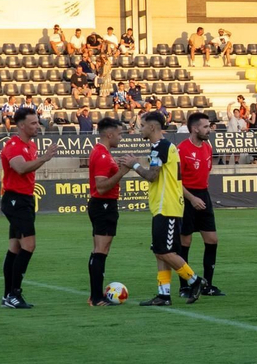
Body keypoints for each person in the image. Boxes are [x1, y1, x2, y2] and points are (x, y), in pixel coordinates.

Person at [129, 111, 206, 305]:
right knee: (159, 250)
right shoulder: (162, 147)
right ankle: (163, 295)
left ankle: (195, 280)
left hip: (168, 206)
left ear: (152, 127)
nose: (140, 129)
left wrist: (134, 164)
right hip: (163, 206)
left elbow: (152, 176)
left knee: (165, 251)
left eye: (142, 125)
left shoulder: (161, 147)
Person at [0, 106, 59, 308]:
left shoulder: (31, 146)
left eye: (37, 122)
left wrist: (40, 157)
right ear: (22, 126)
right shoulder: (13, 146)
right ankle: (14, 293)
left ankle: (8, 295)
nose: (37, 126)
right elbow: (21, 168)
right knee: (29, 245)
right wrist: (44, 158)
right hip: (15, 199)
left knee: (15, 248)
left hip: (25, 198)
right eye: (33, 123)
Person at [175, 111, 224, 297]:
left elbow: (207, 171)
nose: (209, 130)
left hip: (203, 195)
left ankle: (207, 285)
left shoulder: (207, 147)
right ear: (195, 128)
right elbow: (176, 182)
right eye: (205, 127)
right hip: (187, 198)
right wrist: (192, 198)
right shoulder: (181, 149)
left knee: (212, 240)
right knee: (185, 241)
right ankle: (184, 286)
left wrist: (201, 195)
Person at [85, 117, 130, 306]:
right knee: (101, 250)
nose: (121, 138)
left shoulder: (102, 152)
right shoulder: (102, 155)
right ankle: (96, 297)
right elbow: (102, 186)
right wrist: (122, 171)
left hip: (102, 204)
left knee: (99, 250)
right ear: (109, 134)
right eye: (119, 134)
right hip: (104, 204)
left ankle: (94, 295)